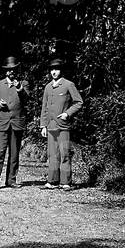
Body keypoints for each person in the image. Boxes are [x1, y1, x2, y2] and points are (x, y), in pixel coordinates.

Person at [40, 57, 83, 190]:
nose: (54, 72)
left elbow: (79, 102)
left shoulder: (68, 85)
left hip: (63, 126)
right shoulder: (48, 87)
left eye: (56, 69)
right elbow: (44, 107)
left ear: (61, 71)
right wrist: (43, 125)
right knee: (52, 154)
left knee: (65, 153)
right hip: (51, 126)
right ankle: (52, 181)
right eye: (52, 69)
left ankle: (65, 182)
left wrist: (67, 113)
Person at [0, 56, 29, 190]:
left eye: (14, 69)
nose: (12, 72)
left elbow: (27, 100)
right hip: (1, 123)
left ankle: (11, 180)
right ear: (6, 71)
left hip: (17, 123)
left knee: (14, 154)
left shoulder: (23, 84)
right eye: (9, 70)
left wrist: (20, 88)